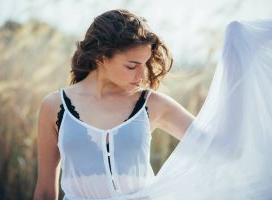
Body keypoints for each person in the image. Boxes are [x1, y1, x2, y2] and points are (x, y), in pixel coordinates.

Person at [33, 9, 195, 200]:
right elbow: (44, 192)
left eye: (145, 63)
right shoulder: (55, 106)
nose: (142, 75)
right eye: (132, 66)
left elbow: (218, 145)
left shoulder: (152, 104)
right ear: (101, 58)